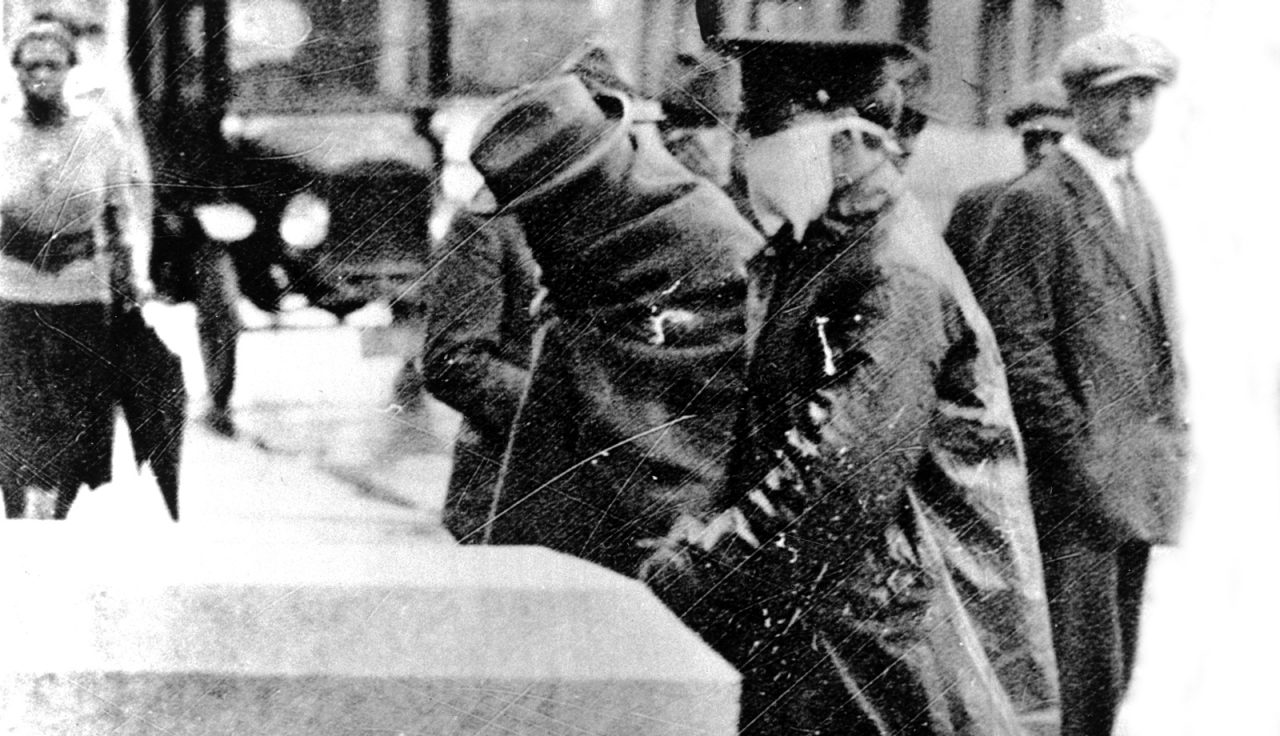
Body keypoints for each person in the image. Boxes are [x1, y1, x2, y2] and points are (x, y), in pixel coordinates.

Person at [643, 38, 1059, 735]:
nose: (749, 157)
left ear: (843, 142)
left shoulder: (890, 273)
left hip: (888, 650)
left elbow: (839, 483)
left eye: (768, 135)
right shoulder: (824, 248)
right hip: (846, 628)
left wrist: (699, 566)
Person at [972, 30, 1186, 736]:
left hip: (1134, 484)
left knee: (1108, 684)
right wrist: (1078, 459)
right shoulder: (1039, 202)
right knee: (1072, 690)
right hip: (1073, 493)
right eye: (1114, 95)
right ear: (1079, 101)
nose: (1131, 112)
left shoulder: (1136, 198)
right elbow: (1019, 352)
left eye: (1144, 94)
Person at [467, 74, 760, 578]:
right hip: (594, 559)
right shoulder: (580, 284)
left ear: (584, 195)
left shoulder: (711, 245)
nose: (536, 240)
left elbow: (721, 430)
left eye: (544, 215)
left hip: (690, 556)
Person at [0, 22, 149, 519]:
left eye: (52, 65)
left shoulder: (98, 131)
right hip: (12, 291)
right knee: (15, 408)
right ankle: (20, 507)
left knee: (74, 409)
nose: (41, 75)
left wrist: (131, 274)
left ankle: (55, 505)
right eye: (30, 66)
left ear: (70, 70)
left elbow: (119, 211)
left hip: (81, 290)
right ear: (15, 71)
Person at [421, 188, 540, 543]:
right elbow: (453, 363)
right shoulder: (492, 219)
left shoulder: (663, 207)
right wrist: (570, 411)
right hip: (513, 491)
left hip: (641, 503)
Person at [944, 78, 1073, 280]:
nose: (1043, 150)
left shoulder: (1085, 209)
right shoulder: (977, 203)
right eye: (1032, 140)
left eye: (1056, 139)